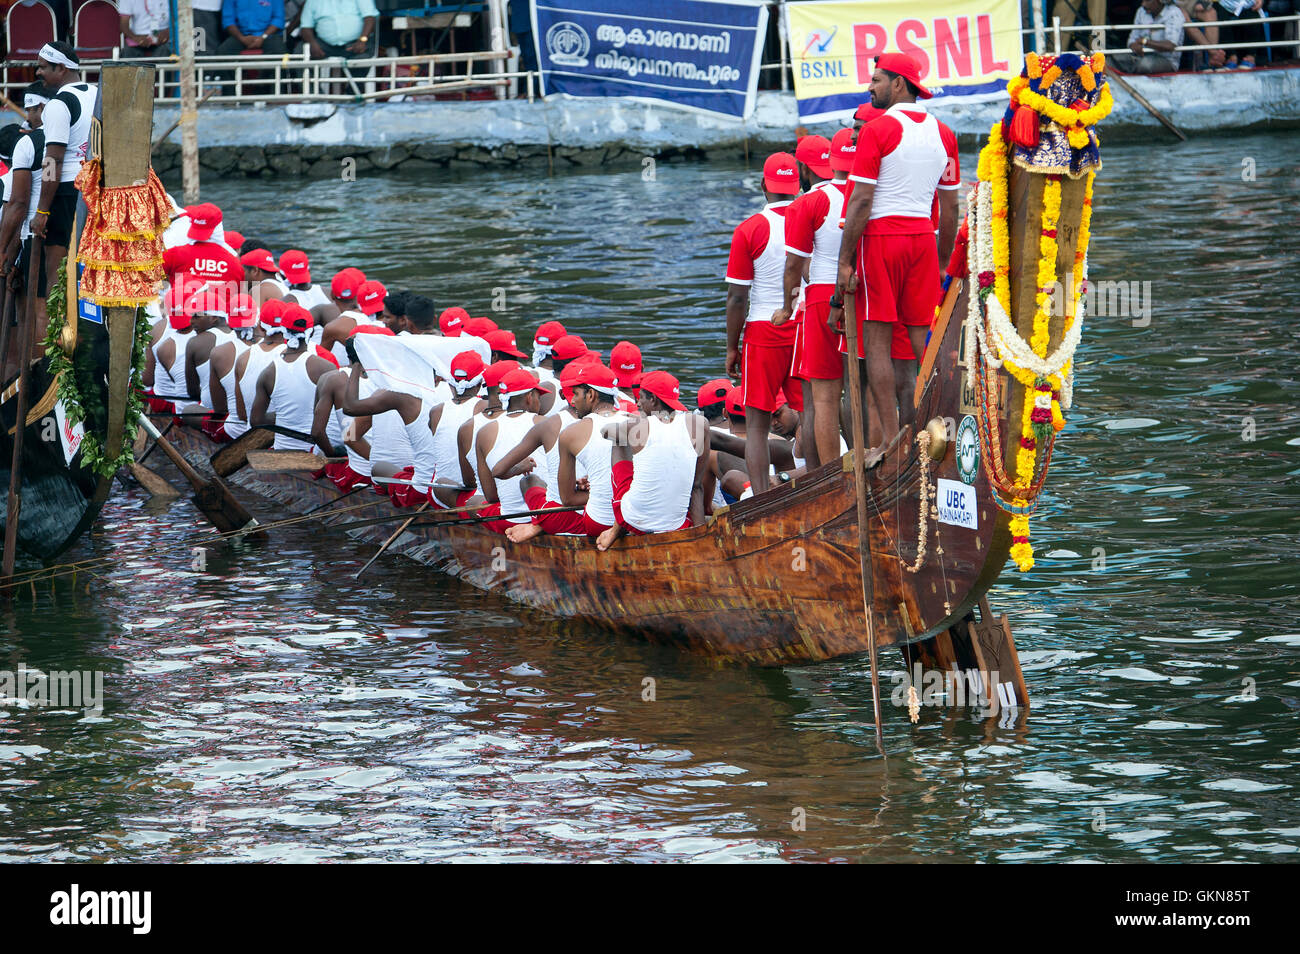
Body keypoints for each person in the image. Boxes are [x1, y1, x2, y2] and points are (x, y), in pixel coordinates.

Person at [834, 52, 959, 457]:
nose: (870, 88)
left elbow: (861, 202)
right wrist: (943, 264)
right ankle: (941, 428)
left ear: (898, 84)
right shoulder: (945, 133)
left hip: (882, 239)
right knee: (924, 340)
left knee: (878, 343)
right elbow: (952, 208)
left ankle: (890, 443)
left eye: (876, 80)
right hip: (923, 238)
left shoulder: (878, 129)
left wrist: (844, 261)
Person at [777, 126, 857, 469]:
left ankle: (830, 476)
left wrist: (786, 306)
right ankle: (870, 460)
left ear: (805, 171)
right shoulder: (870, 193)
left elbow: (795, 266)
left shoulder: (809, 202)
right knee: (861, 391)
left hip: (825, 295)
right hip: (864, 292)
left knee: (824, 398)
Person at [725, 152, 804, 496]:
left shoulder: (749, 229)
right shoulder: (811, 217)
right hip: (804, 325)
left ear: (763, 186)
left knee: (756, 427)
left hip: (762, 330)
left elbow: (737, 299)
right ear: (798, 184)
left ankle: (760, 499)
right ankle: (817, 483)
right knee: (813, 412)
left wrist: (731, 347)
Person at [597, 370, 708, 550]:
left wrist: (631, 422)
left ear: (653, 400)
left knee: (617, 442)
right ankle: (700, 538)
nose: (638, 402)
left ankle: (616, 528)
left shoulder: (636, 426)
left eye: (641, 398)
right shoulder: (700, 424)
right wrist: (700, 535)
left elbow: (606, 432)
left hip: (633, 520)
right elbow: (697, 486)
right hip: (675, 525)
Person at [31, 43, 97, 295]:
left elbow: (52, 161)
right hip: (98, 191)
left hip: (68, 191)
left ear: (61, 68)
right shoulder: (97, 93)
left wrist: (42, 210)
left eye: (43, 67)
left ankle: (58, 331)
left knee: (56, 276)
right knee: (94, 268)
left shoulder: (59, 104)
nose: (38, 73)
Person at [340, 357, 438, 508]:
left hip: (393, 479)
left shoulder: (379, 394)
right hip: (420, 481)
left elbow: (349, 437)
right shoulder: (439, 397)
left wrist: (378, 459)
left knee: (380, 468)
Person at [250, 305, 336, 451]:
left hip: (281, 448)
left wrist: (285, 416)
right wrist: (332, 453)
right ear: (312, 332)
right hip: (316, 450)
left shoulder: (268, 372)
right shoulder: (327, 367)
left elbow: (256, 421)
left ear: (283, 332)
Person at [475, 368, 548, 533]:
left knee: (473, 503)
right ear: (530, 397)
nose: (540, 401)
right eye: (539, 396)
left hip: (509, 520)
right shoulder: (547, 423)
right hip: (546, 516)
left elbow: (491, 497)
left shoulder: (484, 432)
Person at [427, 350, 487, 508]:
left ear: (450, 382)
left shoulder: (436, 411)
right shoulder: (484, 408)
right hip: (467, 492)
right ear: (480, 384)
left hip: (439, 491)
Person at [162, 203, 245, 302]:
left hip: (183, 313)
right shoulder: (235, 263)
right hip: (219, 315)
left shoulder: (174, 254)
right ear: (218, 227)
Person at [1109, 0, 1187, 73]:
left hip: (1166, 60)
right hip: (1140, 56)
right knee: (1111, 60)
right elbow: (1132, 38)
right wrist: (1133, 45)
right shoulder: (1141, 11)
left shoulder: (1173, 13)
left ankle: (1128, 74)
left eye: (1148, 0)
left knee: (1145, 65)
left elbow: (1170, 45)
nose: (1143, 4)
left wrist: (1145, 42)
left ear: (1160, 1)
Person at [299, 0, 378, 59]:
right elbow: (305, 27)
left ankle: (354, 82)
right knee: (300, 52)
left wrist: (362, 40)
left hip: (356, 43)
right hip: (325, 46)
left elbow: (370, 18)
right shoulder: (312, 1)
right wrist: (313, 44)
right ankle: (310, 81)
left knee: (362, 58)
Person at [220, 0, 288, 56]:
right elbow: (228, 20)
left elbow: (278, 19)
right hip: (241, 35)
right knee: (222, 53)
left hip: (268, 36)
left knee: (279, 53)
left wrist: (262, 37)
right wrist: (242, 38)